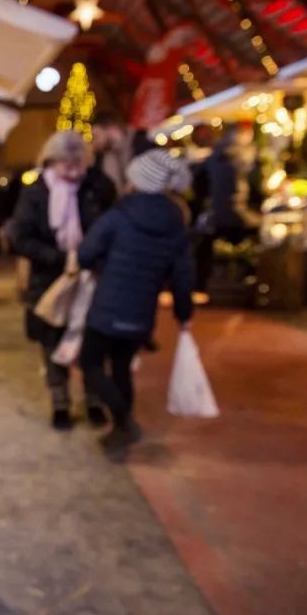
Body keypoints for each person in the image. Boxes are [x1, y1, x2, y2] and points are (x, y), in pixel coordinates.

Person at [77, 149, 195, 451]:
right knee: (121, 367)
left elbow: (85, 254)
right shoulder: (177, 223)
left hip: (107, 307)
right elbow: (183, 276)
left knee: (90, 362)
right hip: (142, 312)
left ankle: (124, 419)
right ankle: (121, 430)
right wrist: (183, 314)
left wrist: (102, 264)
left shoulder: (119, 214)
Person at [8, 131, 113, 430]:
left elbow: (109, 225)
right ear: (51, 161)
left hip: (91, 275)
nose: (75, 172)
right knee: (51, 340)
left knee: (91, 340)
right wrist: (59, 258)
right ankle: (60, 402)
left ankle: (94, 400)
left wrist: (90, 256)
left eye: (79, 164)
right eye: (67, 165)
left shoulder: (96, 186)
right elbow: (21, 238)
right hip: (49, 277)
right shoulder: (36, 192)